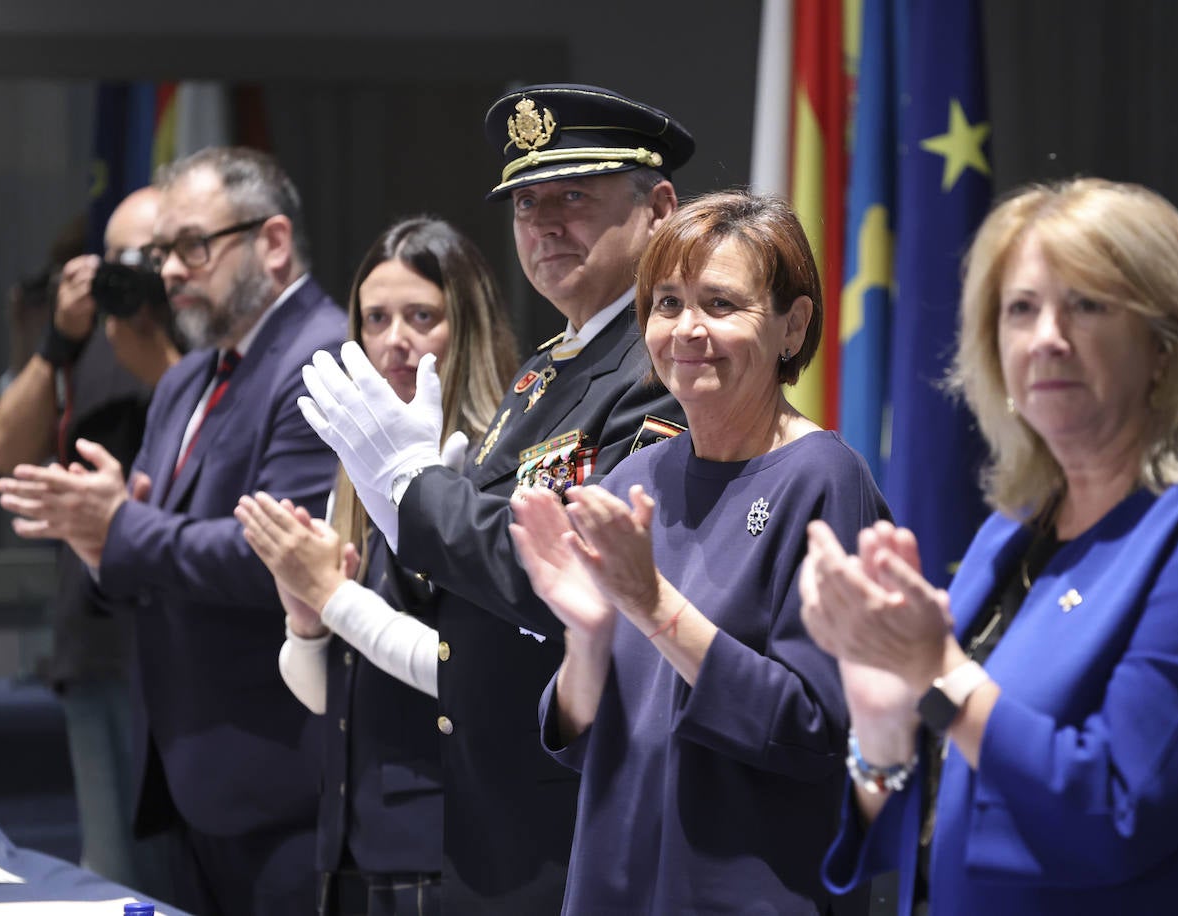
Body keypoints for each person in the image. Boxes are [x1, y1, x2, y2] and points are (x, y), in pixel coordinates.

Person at [802, 178, 1178, 914]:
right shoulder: (1012, 530)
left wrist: (938, 671)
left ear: (1164, 348)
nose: (1047, 335)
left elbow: (1117, 814)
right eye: (1022, 309)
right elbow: (940, 822)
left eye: (1087, 304)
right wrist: (886, 728)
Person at [295, 84, 693, 911]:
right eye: (525, 202)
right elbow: (466, 582)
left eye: (574, 196)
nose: (545, 224)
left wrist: (414, 490)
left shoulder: (661, 369)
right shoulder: (545, 373)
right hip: (490, 806)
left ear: (657, 206)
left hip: (573, 803)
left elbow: (570, 576)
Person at [508, 190, 883, 913]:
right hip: (614, 883)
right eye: (667, 304)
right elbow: (583, 742)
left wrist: (653, 606)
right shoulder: (634, 477)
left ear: (792, 326)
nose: (687, 330)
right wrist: (585, 642)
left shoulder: (825, 479)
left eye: (720, 304)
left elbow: (819, 734)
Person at [0, 146, 347, 916]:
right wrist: (101, 543)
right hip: (192, 771)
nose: (171, 272)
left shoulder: (321, 354)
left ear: (274, 242)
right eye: (161, 254)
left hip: (284, 778)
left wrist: (120, 527)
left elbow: (277, 559)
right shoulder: (189, 374)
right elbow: (147, 545)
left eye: (193, 246)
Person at [233, 216, 519, 915]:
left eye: (422, 316)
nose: (395, 340)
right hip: (351, 841)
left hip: (449, 843)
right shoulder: (354, 472)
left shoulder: (487, 469)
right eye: (376, 318)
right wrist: (305, 621)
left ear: (469, 327)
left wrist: (333, 601)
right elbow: (330, 695)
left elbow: (467, 672)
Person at [0, 187, 179, 892]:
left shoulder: (202, 332)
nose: (138, 273)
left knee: (191, 869)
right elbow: (7, 450)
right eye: (122, 259)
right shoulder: (76, 341)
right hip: (95, 638)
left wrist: (148, 342)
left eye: (155, 255)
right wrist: (56, 341)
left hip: (186, 628)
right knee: (112, 870)